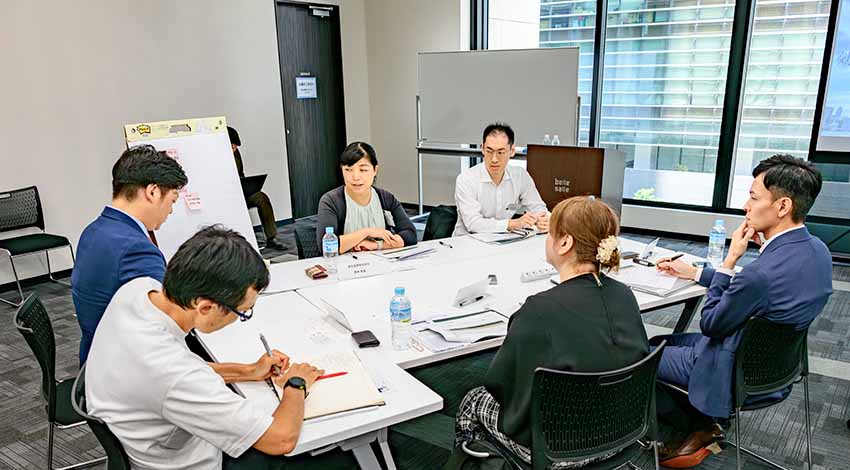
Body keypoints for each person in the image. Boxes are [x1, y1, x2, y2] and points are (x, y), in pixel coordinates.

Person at [86, 226, 324, 470]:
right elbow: (281, 439)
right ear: (206, 308)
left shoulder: (136, 291)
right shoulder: (177, 375)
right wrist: (296, 384)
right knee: (328, 453)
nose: (241, 317)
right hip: (189, 462)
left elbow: (168, 374)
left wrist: (248, 371)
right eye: (242, 312)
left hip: (142, 431)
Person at [653, 154, 833, 468]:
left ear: (782, 206)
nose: (745, 207)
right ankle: (702, 418)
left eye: (753, 197)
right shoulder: (818, 251)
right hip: (776, 367)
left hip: (727, 368)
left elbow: (710, 323)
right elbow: (757, 292)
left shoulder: (758, 274)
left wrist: (728, 262)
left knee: (639, 354)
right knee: (666, 341)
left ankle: (700, 426)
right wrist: (697, 273)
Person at [453, 196, 649, 467]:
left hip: (561, 449)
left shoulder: (539, 311)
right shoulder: (625, 295)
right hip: (624, 432)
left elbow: (500, 384)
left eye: (550, 232)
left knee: (474, 399)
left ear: (565, 242)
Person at [72, 144, 188, 365]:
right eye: (172, 200)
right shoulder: (136, 249)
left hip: (94, 354)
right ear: (153, 192)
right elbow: (175, 318)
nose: (171, 210)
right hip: (121, 368)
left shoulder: (93, 231)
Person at [315, 142, 417, 253]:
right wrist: (367, 232)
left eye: (363, 170)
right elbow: (325, 246)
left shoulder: (386, 198)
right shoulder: (331, 201)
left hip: (381, 265)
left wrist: (377, 245)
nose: (355, 177)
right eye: (348, 170)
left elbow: (410, 235)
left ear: (375, 170)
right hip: (344, 266)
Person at [453, 123, 549, 236]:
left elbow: (538, 207)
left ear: (512, 151)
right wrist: (513, 224)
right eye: (489, 151)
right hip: (467, 242)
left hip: (503, 241)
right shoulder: (466, 179)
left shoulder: (520, 176)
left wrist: (545, 219)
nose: (494, 159)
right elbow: (473, 224)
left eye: (500, 152)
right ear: (482, 149)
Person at [228, 126, 285, 251]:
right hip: (227, 195)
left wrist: (248, 185)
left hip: (241, 191)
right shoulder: (215, 158)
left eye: (236, 147)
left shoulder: (236, 153)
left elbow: (241, 174)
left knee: (261, 197)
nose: (235, 149)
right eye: (233, 146)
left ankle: (271, 238)